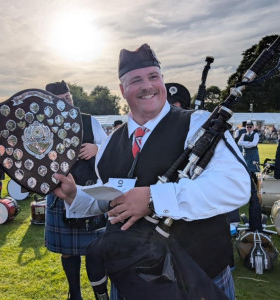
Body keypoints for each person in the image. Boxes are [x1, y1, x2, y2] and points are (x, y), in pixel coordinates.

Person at [53, 44, 250, 300]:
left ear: (162, 81)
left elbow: (235, 185)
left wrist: (155, 198)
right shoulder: (110, 144)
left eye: (153, 77)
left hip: (199, 277)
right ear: (123, 90)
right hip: (130, 277)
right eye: (136, 80)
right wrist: (74, 195)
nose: (147, 86)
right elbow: (111, 200)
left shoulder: (199, 124)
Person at [44, 80, 108, 300]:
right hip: (60, 194)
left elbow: (112, 149)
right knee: (68, 250)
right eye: (60, 100)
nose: (67, 102)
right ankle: (75, 293)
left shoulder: (90, 122)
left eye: (68, 97)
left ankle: (101, 293)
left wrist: (97, 147)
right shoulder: (44, 126)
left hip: (92, 192)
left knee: (98, 249)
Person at [238, 120, 260, 185]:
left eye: (250, 127)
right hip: (246, 154)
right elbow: (239, 143)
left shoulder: (256, 134)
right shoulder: (243, 134)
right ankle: (249, 184)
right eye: (247, 127)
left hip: (253, 154)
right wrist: (248, 143)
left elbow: (254, 143)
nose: (249, 128)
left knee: (253, 171)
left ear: (253, 127)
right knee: (246, 170)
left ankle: (256, 184)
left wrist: (245, 144)